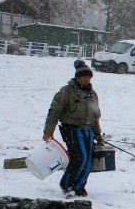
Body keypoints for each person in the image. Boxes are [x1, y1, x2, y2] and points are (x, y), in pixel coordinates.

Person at [42, 59, 103, 197]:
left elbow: (95, 115)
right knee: (79, 158)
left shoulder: (93, 94)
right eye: (85, 77)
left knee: (88, 160)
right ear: (78, 77)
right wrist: (48, 132)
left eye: (89, 77)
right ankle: (67, 184)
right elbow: (54, 112)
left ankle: (79, 186)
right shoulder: (66, 92)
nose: (87, 80)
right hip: (72, 129)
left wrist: (97, 132)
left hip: (88, 130)